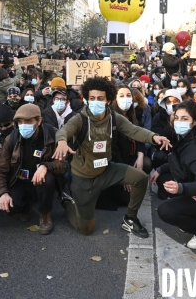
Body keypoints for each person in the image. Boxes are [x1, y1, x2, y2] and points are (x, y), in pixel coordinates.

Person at [52, 77, 171, 237]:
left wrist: (154, 137)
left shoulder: (114, 117)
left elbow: (134, 130)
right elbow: (64, 130)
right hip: (83, 178)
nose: (96, 102)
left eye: (100, 98)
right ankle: (67, 201)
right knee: (86, 230)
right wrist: (61, 142)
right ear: (86, 98)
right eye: (92, 98)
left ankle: (130, 219)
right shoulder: (80, 119)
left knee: (140, 178)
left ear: (108, 100)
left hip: (106, 169)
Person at [151, 101, 196, 249]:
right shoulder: (184, 137)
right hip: (193, 189)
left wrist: (181, 188)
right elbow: (179, 162)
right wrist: (160, 170)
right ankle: (191, 217)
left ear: (194, 122)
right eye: (176, 118)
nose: (179, 122)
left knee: (165, 211)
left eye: (185, 119)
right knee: (163, 181)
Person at [0, 104, 69, 234]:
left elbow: (64, 164)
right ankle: (26, 205)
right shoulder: (12, 138)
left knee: (48, 179)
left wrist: (47, 166)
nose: (23, 125)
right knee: (9, 208)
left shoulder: (52, 134)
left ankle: (45, 214)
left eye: (28, 121)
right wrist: (2, 193)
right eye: (20, 122)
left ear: (38, 121)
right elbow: (0, 169)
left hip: (41, 181)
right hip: (20, 181)